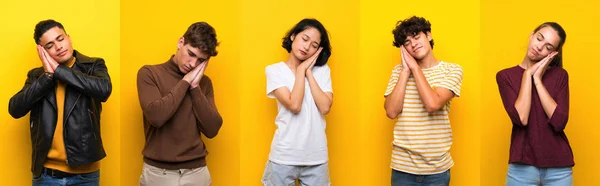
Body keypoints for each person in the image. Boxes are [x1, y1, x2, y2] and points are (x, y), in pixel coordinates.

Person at [9, 19, 113, 185]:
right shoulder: (37, 76)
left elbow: (104, 90)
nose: (58, 47)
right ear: (42, 51)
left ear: (69, 38)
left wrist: (59, 71)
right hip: (46, 175)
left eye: (60, 39)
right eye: (50, 45)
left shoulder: (93, 65)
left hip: (86, 175)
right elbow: (15, 109)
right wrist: (48, 77)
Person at [136, 21, 223, 186]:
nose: (193, 64)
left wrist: (195, 87)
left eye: (200, 60)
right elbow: (157, 116)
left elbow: (212, 129)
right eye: (190, 53)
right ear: (180, 42)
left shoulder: (204, 84)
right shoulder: (149, 74)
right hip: (158, 173)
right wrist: (186, 81)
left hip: (197, 172)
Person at [383, 16, 463, 186]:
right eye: (407, 42)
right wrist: (405, 71)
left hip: (437, 170)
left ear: (428, 35)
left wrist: (414, 68)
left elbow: (432, 104)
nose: (413, 44)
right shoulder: (398, 72)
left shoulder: (452, 70)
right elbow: (391, 111)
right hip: (402, 168)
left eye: (416, 36)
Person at [496, 22, 573, 186]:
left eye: (548, 46)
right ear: (532, 35)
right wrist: (527, 75)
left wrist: (537, 79)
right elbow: (521, 118)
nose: (539, 47)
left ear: (553, 54)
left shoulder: (560, 75)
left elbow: (559, 122)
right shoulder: (505, 76)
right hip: (521, 168)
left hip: (558, 168)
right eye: (539, 38)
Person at [262, 18, 333, 186]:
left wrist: (308, 71)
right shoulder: (274, 71)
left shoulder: (322, 71)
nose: (307, 47)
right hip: (283, 156)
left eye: (314, 45)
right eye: (305, 39)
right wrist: (301, 70)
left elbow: (325, 107)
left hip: (316, 157)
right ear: (293, 36)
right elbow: (294, 105)